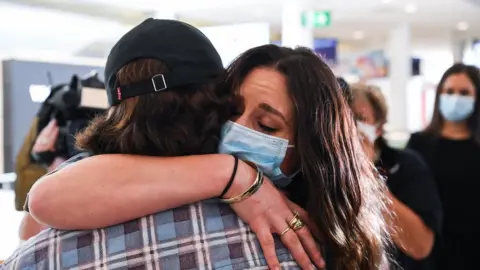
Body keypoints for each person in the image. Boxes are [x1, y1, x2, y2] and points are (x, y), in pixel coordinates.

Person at [23, 23, 390, 270]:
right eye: (230, 110)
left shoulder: (319, 243)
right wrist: (232, 176)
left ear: (314, 150)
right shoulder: (171, 182)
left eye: (266, 125)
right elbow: (42, 206)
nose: (236, 129)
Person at [351, 83, 442, 270]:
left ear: (378, 127)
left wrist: (367, 175)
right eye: (346, 119)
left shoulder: (407, 166)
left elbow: (420, 246)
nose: (352, 127)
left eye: (359, 118)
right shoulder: (323, 169)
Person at [406, 63, 480, 270]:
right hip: (428, 254)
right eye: (449, 91)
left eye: (464, 93)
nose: (455, 98)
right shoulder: (419, 144)